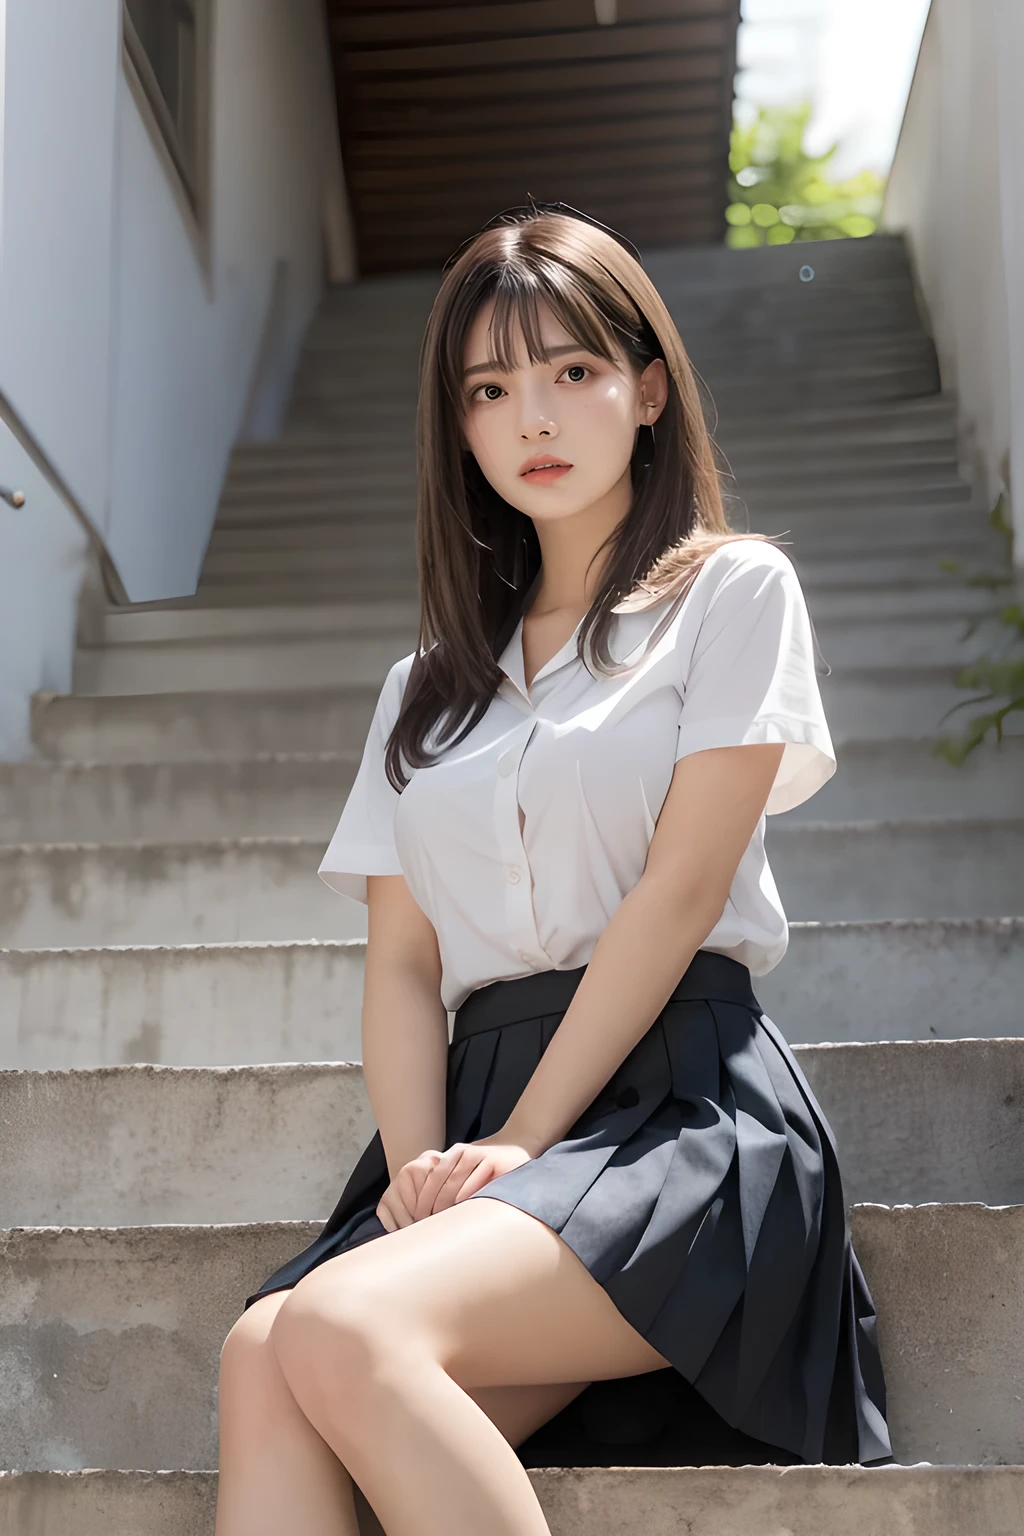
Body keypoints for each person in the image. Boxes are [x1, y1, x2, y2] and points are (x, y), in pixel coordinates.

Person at [214, 205, 891, 1536]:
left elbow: (680, 893)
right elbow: (405, 966)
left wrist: (526, 1145)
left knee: (340, 1324)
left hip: (678, 1107)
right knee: (264, 1356)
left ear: (648, 391)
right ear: (458, 430)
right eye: (490, 388)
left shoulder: (731, 596)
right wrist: (426, 1175)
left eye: (573, 371)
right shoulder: (420, 693)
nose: (534, 415)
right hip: (475, 1120)